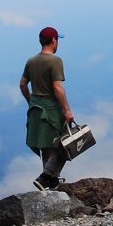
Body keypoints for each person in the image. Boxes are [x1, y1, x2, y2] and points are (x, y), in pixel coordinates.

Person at [20, 26, 75, 191]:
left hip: (36, 109)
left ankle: (51, 182)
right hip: (51, 108)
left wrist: (31, 101)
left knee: (47, 145)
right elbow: (58, 87)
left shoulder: (32, 60)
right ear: (53, 41)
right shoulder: (55, 61)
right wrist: (67, 110)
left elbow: (23, 84)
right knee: (66, 143)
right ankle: (46, 176)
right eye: (57, 39)